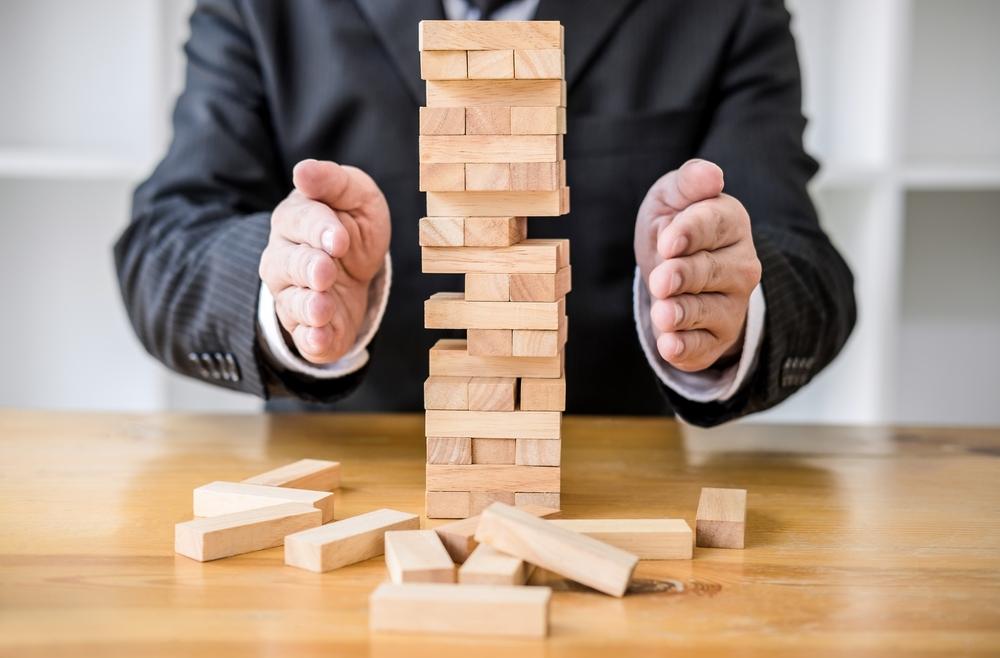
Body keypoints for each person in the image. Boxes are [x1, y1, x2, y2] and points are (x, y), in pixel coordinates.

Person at [115, 0, 856, 427]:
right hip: (349, 494)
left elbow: (807, 263)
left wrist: (726, 302)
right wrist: (289, 296)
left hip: (607, 495)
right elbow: (163, 245)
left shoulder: (725, 10)